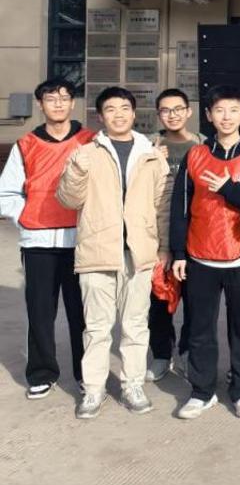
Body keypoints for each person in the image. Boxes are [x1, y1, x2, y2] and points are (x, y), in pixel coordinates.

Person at [56, 86, 169, 419]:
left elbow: (162, 205)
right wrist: (76, 170)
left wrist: (163, 247)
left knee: (136, 324)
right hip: (97, 251)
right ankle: (94, 389)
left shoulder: (151, 154)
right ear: (100, 116)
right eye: (110, 109)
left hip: (138, 251)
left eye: (124, 108)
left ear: (134, 113)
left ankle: (132, 385)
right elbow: (68, 200)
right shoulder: (85, 153)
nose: (118, 115)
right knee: (96, 327)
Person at [169, 85, 240, 420]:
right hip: (200, 256)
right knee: (200, 327)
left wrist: (229, 189)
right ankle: (202, 391)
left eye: (233, 110)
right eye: (219, 110)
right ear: (209, 115)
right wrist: (179, 252)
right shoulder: (196, 155)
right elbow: (180, 208)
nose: (226, 117)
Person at [0, 78, 94, 400]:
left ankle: (86, 374)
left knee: (82, 312)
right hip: (38, 242)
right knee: (40, 311)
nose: (58, 103)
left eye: (64, 98)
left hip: (80, 241)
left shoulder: (89, 141)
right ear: (40, 104)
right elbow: (6, 193)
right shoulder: (26, 144)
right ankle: (41, 373)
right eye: (51, 98)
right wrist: (27, 218)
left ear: (72, 103)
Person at [145, 88, 204, 383]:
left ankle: (187, 352)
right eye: (166, 110)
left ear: (189, 111)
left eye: (178, 109)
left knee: (195, 303)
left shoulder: (204, 146)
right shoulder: (148, 146)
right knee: (158, 301)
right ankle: (161, 354)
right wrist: (151, 161)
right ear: (159, 115)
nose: (173, 115)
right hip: (156, 238)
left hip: (196, 238)